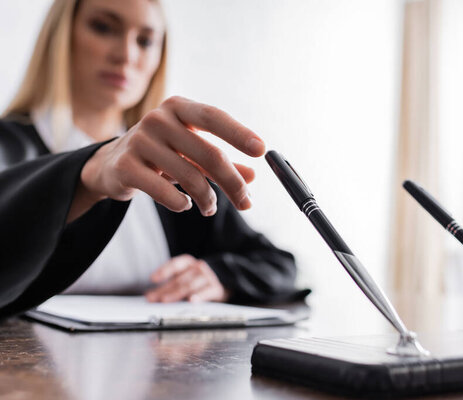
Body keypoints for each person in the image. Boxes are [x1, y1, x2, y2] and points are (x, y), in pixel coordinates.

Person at [0, 0, 307, 319]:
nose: (126, 55)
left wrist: (220, 275)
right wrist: (89, 172)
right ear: (60, 35)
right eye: (103, 27)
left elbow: (280, 265)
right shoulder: (6, 147)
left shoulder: (172, 164)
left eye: (145, 41)